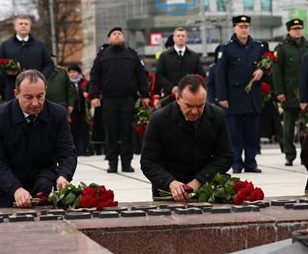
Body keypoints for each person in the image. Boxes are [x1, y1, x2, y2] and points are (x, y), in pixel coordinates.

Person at [0, 70, 77, 208]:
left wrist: (63, 175)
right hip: (5, 186)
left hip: (43, 181)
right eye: (28, 97)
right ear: (16, 94)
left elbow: (67, 152)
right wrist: (15, 189)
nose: (35, 103)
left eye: (40, 96)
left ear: (46, 90)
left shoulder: (57, 114)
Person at [140, 75, 234, 201]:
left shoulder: (217, 116)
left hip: (207, 188)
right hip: (168, 191)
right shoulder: (159, 119)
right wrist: (171, 183)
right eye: (189, 106)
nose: (194, 111)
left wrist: (199, 181)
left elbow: (225, 156)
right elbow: (148, 161)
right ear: (178, 98)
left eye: (200, 106)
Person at [89, 27, 150, 173]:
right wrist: (94, 95)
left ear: (123, 37)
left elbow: (142, 76)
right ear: (109, 38)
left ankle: (126, 162)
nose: (117, 36)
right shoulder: (102, 56)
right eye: (114, 34)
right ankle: (112, 163)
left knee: (127, 131)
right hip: (109, 100)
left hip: (128, 99)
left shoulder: (132, 55)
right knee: (111, 132)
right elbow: (94, 77)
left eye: (119, 34)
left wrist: (145, 95)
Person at [216, 15, 264, 174]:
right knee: (234, 134)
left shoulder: (258, 47)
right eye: (241, 26)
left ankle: (251, 162)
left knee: (252, 133)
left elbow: (269, 69)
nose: (244, 29)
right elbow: (220, 74)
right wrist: (222, 97)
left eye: (246, 26)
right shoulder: (226, 48)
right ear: (235, 28)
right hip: (234, 97)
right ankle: (236, 163)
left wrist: (262, 71)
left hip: (252, 98)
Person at [273, 18, 308, 166]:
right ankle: (289, 155)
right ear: (289, 30)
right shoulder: (282, 47)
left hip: (306, 94)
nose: (297, 31)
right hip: (289, 93)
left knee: (306, 128)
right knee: (288, 127)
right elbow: (277, 71)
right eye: (294, 29)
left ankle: (305, 154)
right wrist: (279, 92)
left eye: (299, 28)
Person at [0, 15, 54, 100]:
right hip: (13, 90)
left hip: (35, 90)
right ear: (15, 27)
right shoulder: (6, 45)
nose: (23, 26)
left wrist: (40, 77)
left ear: (30, 27)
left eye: (26, 24)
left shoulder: (39, 45)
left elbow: (49, 64)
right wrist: (8, 71)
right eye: (20, 23)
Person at [156, 27, 205, 101]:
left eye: (183, 36)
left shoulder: (194, 56)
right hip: (170, 97)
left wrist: (191, 87)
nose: (181, 38)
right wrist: (171, 88)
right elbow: (159, 76)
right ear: (174, 38)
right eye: (178, 36)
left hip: (190, 96)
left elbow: (201, 75)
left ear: (186, 38)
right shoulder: (164, 56)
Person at [67, 63, 90, 157]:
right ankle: (75, 151)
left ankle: (83, 150)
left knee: (83, 131)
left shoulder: (84, 82)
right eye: (70, 72)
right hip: (73, 111)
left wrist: (87, 96)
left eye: (74, 72)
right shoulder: (68, 83)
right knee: (73, 131)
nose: (72, 74)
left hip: (83, 111)